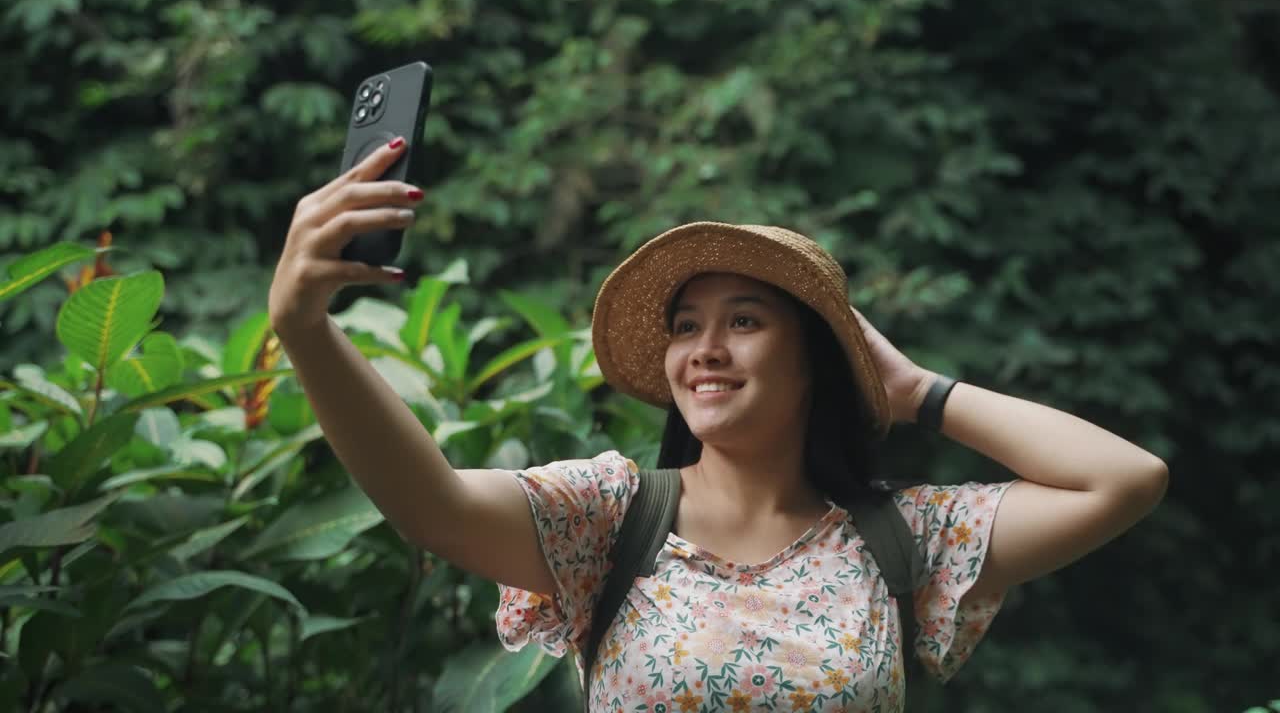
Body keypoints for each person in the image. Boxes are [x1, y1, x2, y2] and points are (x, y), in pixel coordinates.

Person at [269, 138, 1169, 711]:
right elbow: (430, 507)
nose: (705, 348)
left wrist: (914, 390)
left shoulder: (904, 536)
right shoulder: (608, 517)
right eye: (686, 326)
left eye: (744, 321)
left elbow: (1125, 480)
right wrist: (305, 329)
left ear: (813, 356)